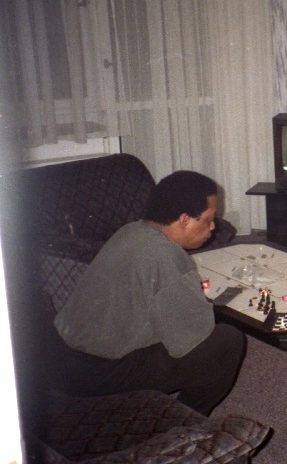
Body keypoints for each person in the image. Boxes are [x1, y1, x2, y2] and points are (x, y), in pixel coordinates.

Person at [53, 170, 244, 416]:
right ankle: (184, 421)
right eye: (208, 219)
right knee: (227, 340)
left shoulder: (130, 231)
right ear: (184, 220)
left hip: (61, 356)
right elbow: (190, 339)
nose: (213, 226)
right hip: (96, 375)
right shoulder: (166, 256)